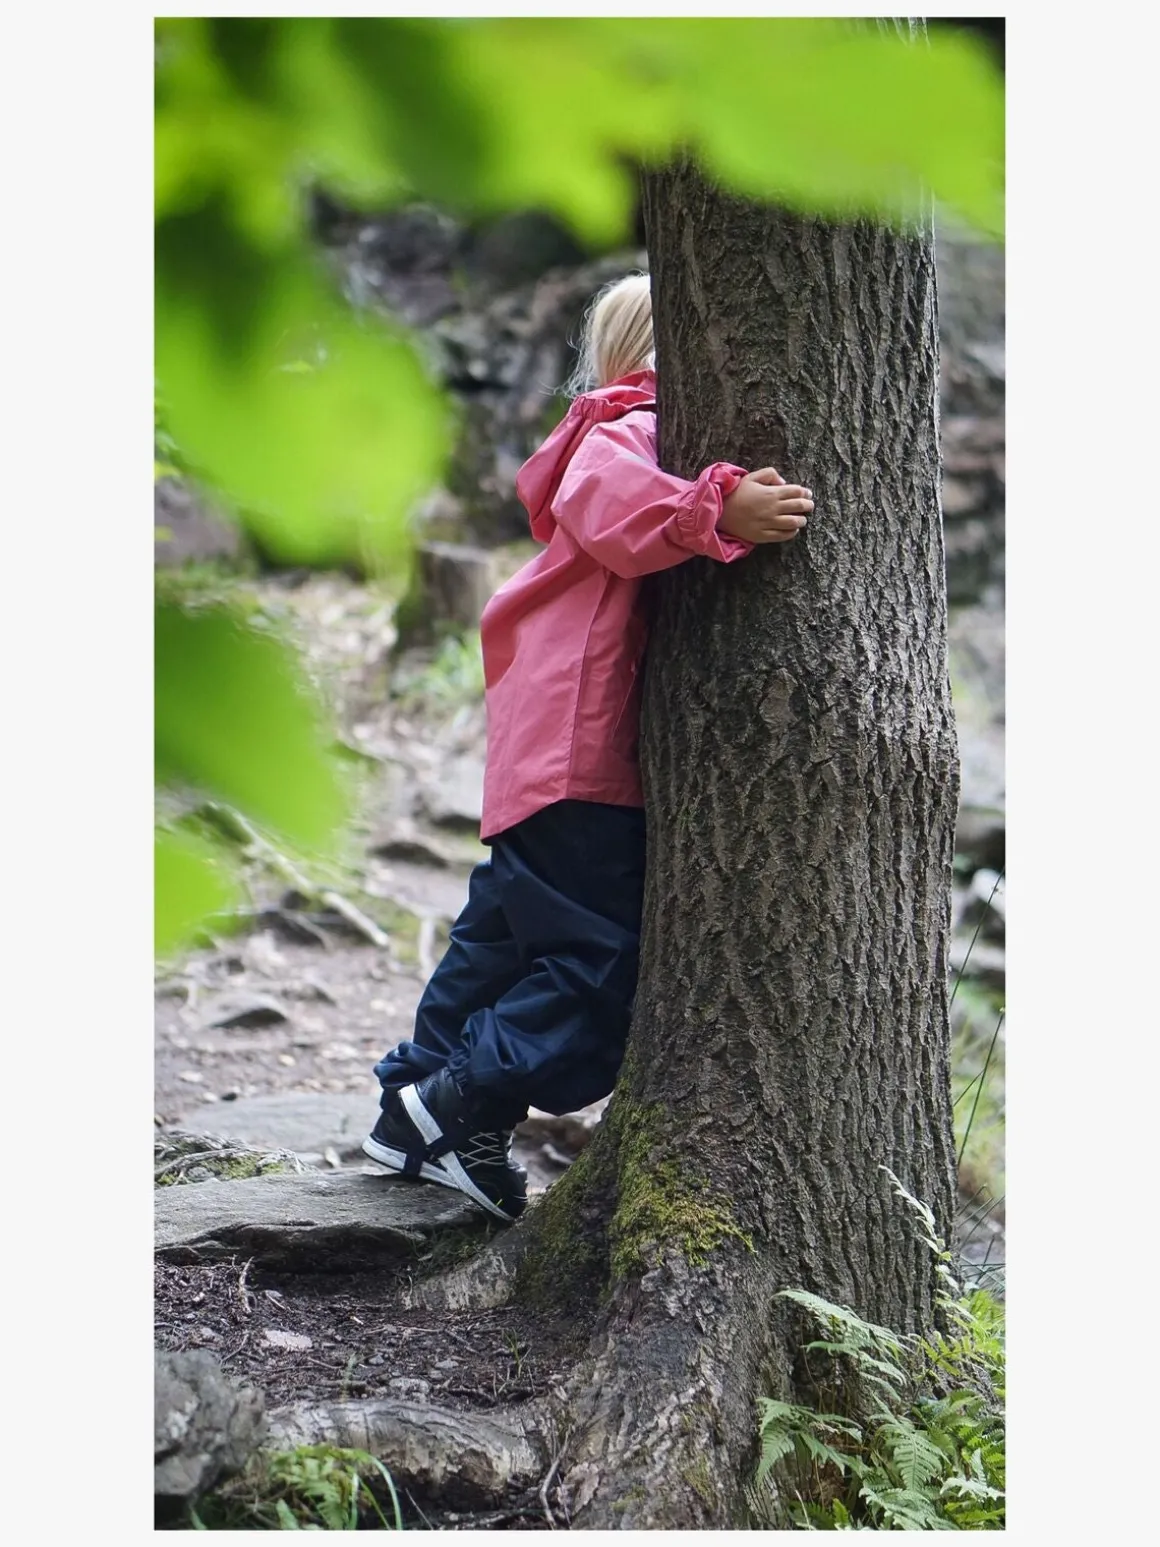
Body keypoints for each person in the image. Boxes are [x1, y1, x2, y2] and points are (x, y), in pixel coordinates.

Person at [363, 272, 813, 1222]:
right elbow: (615, 504)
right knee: (599, 965)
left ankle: (412, 1110)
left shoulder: (611, 426)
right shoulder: (631, 424)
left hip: (545, 751)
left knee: (497, 944)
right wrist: (714, 511)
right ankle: (460, 1099)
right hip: (582, 751)